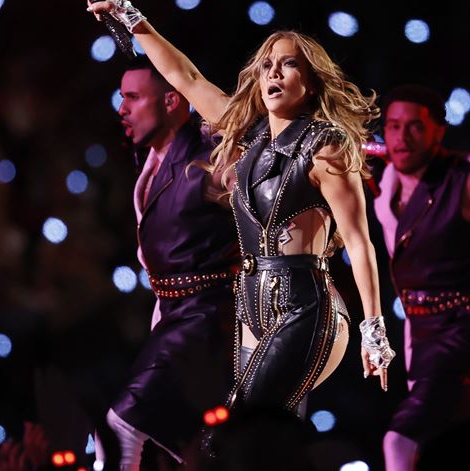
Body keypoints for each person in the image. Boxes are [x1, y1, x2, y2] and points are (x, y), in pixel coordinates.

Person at [87, 0, 395, 465]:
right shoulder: (246, 136)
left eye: (288, 65)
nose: (273, 73)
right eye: (267, 65)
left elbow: (358, 241)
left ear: (309, 81)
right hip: (250, 308)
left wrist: (374, 329)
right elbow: (186, 79)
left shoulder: (326, 145)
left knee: (231, 440)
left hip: (303, 306)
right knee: (258, 449)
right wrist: (135, 20)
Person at [93, 57, 240, 469]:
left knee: (119, 426)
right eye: (122, 98)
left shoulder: (209, 156)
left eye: (133, 97)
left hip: (207, 319)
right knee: (193, 451)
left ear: (173, 101)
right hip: (177, 317)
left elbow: (250, 186)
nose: (121, 109)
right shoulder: (151, 160)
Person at [373, 84, 470, 471]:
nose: (401, 138)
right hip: (423, 337)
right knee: (458, 451)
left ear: (439, 131)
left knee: (399, 441)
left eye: (414, 127)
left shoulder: (468, 182)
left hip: (468, 335)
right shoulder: (385, 184)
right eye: (393, 127)